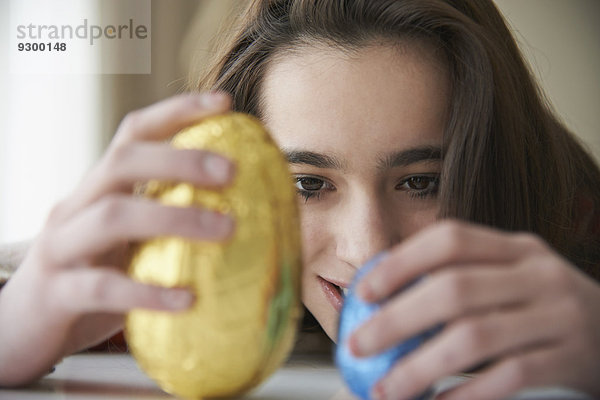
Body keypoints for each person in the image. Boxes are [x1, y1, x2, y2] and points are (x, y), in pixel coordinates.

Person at [1, 0, 599, 399]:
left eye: (422, 181)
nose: (368, 247)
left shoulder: (581, 268)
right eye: (306, 185)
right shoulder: (150, 270)